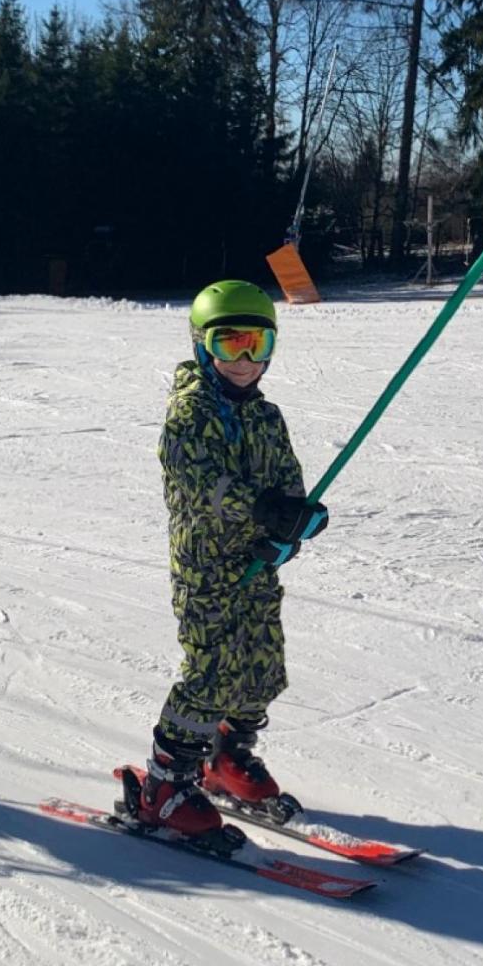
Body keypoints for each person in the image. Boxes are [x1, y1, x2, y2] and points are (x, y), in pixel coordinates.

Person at [124, 279, 328, 837]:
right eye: (229, 345)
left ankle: (226, 757)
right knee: (211, 673)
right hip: (208, 567)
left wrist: (298, 517)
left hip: (258, 562)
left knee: (263, 668)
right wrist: (263, 509)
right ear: (201, 345)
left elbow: (287, 480)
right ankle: (164, 781)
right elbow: (201, 485)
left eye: (257, 346)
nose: (244, 361)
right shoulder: (189, 413)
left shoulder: (267, 416)